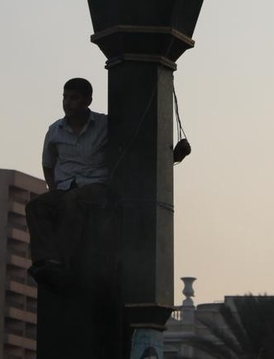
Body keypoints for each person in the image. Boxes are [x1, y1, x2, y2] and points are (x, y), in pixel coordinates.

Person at [26, 78, 191, 288]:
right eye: (65, 97)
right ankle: (45, 261)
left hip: (96, 186)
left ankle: (65, 264)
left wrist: (172, 156)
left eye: (74, 98)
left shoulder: (104, 125)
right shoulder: (54, 130)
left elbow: (133, 152)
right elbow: (48, 164)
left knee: (72, 202)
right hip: (65, 187)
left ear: (87, 101)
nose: (67, 103)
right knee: (36, 206)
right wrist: (54, 188)